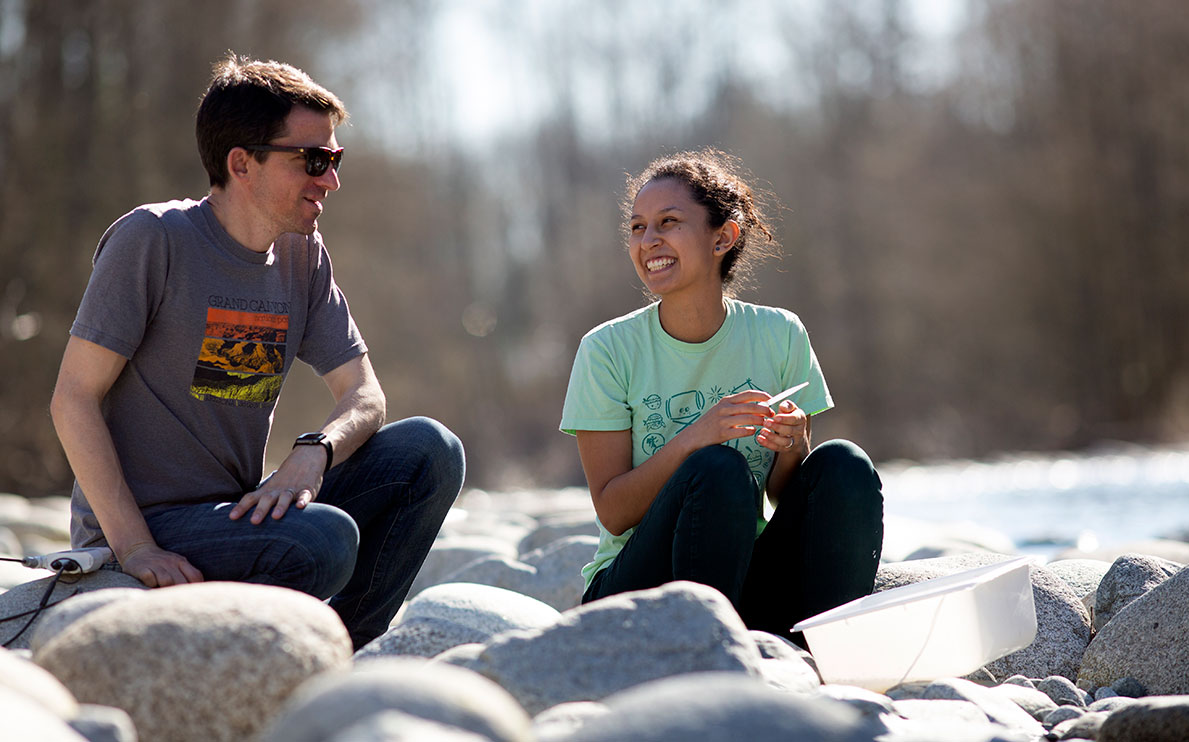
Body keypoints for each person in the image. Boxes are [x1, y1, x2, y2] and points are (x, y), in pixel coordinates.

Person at [49, 53, 464, 650]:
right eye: (313, 160)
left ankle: (332, 654)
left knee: (431, 450)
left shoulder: (303, 256)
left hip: (233, 513)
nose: (330, 180)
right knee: (323, 540)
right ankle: (298, 650)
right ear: (242, 163)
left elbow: (364, 394)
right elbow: (73, 399)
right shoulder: (152, 239)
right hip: (144, 529)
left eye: (335, 160)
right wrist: (135, 549)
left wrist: (315, 451)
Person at [560, 148, 884, 638]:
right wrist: (696, 437)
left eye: (668, 222)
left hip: (745, 580)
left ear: (723, 238)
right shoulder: (607, 349)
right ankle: (706, 651)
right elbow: (614, 510)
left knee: (844, 463)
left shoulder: (780, 334)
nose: (648, 241)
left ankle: (833, 650)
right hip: (636, 592)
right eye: (637, 227)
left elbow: (781, 494)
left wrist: (791, 445)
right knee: (717, 468)